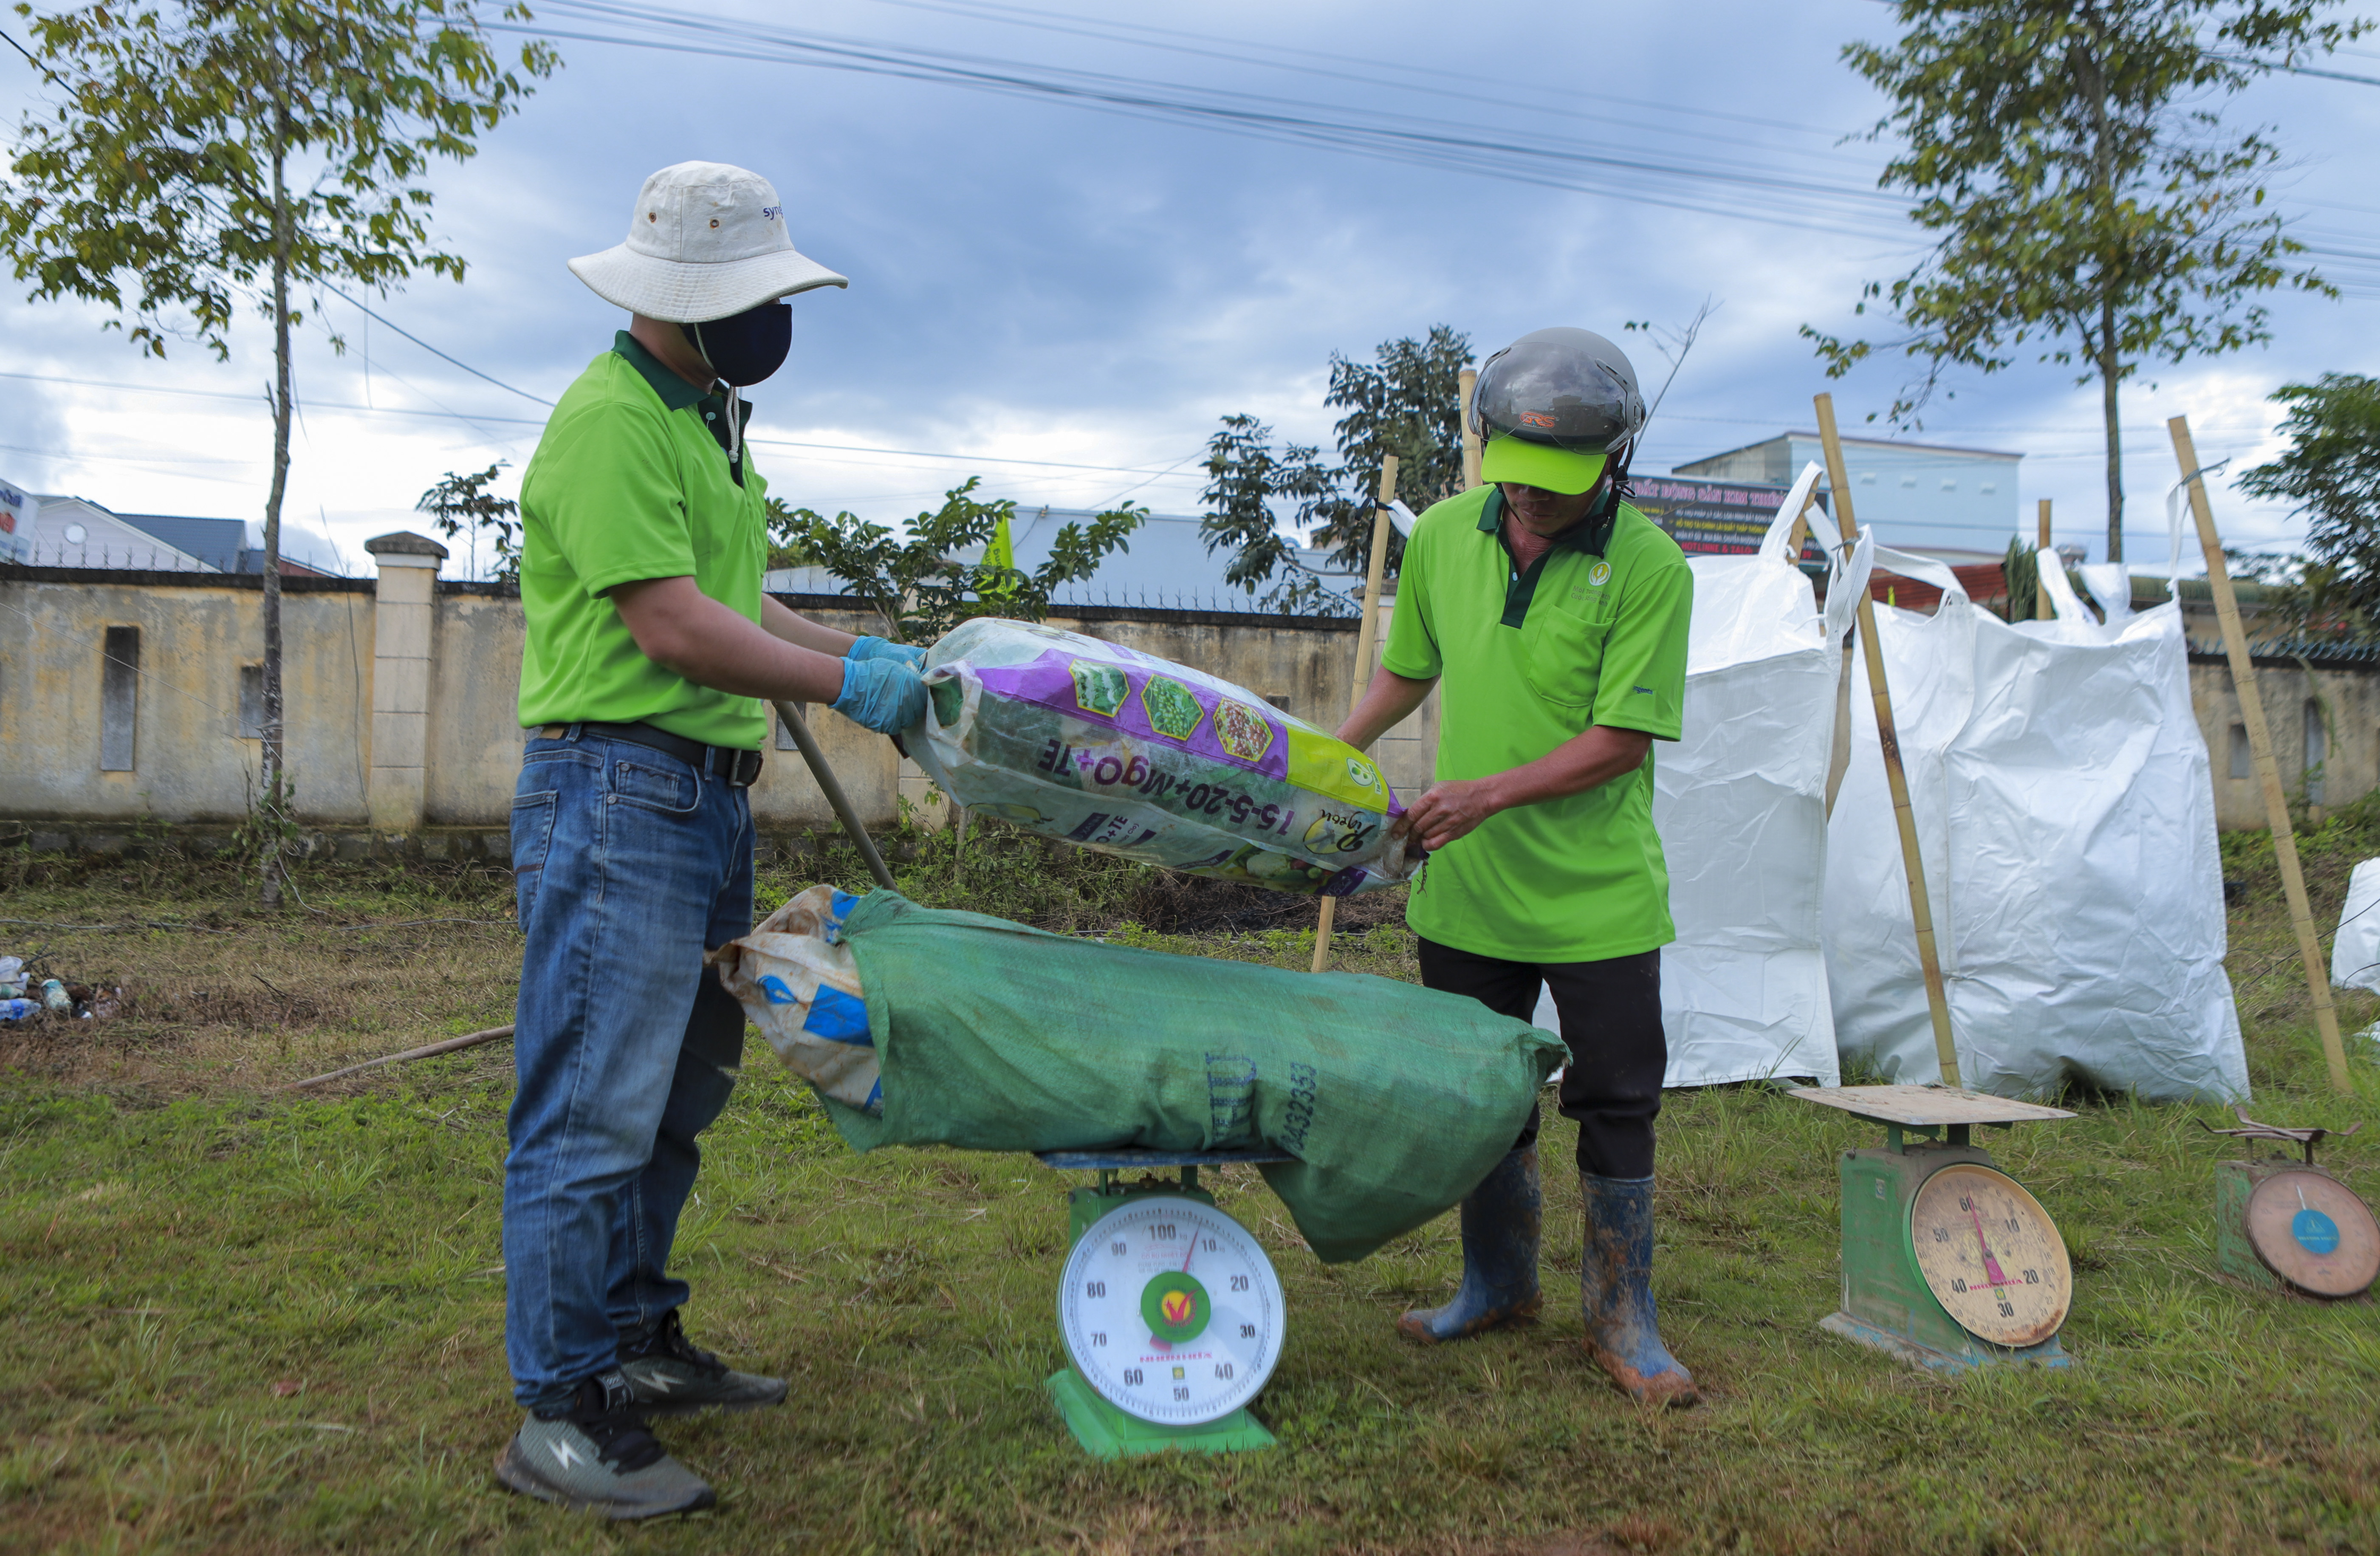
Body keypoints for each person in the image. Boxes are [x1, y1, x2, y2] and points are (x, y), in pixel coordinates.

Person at [494, 161, 929, 1518]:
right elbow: (673, 630)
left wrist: (862, 654)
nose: (770, 319)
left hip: (695, 803)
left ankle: (634, 1343)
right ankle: (560, 1412)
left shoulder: (708, 423)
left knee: (677, 1103)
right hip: (615, 795)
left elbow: (737, 604)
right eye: (752, 296)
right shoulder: (612, 421)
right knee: (590, 1111)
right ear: (682, 297)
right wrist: (838, 686)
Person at [1336, 326, 1698, 1407]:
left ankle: (1621, 1312)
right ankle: (1496, 1280)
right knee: (1482, 1093)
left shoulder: (1651, 570)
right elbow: (1409, 670)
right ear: (1484, 443)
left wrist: (1486, 795)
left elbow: (1621, 739)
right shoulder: (1444, 534)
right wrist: (1321, 758)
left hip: (1598, 899)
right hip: (1467, 892)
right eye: (1518, 479)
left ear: (1615, 464)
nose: (1534, 502)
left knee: (1618, 1098)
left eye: (1562, 485)